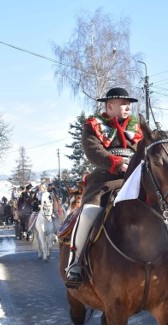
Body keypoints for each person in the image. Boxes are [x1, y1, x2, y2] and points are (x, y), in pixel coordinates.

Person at [65, 87, 143, 288]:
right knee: (89, 212)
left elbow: (145, 151)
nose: (127, 107)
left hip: (135, 179)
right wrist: (117, 164)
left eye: (128, 104)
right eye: (123, 104)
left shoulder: (138, 129)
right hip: (104, 181)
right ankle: (75, 263)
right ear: (110, 106)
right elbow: (93, 151)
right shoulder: (92, 126)